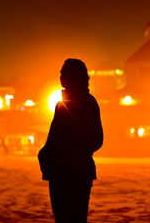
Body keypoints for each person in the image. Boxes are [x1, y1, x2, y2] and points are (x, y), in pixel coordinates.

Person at [39, 58, 103, 222]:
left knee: (70, 217)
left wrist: (65, 155)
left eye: (64, 74)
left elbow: (96, 139)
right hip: (65, 170)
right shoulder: (67, 103)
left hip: (72, 171)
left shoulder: (84, 103)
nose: (61, 78)